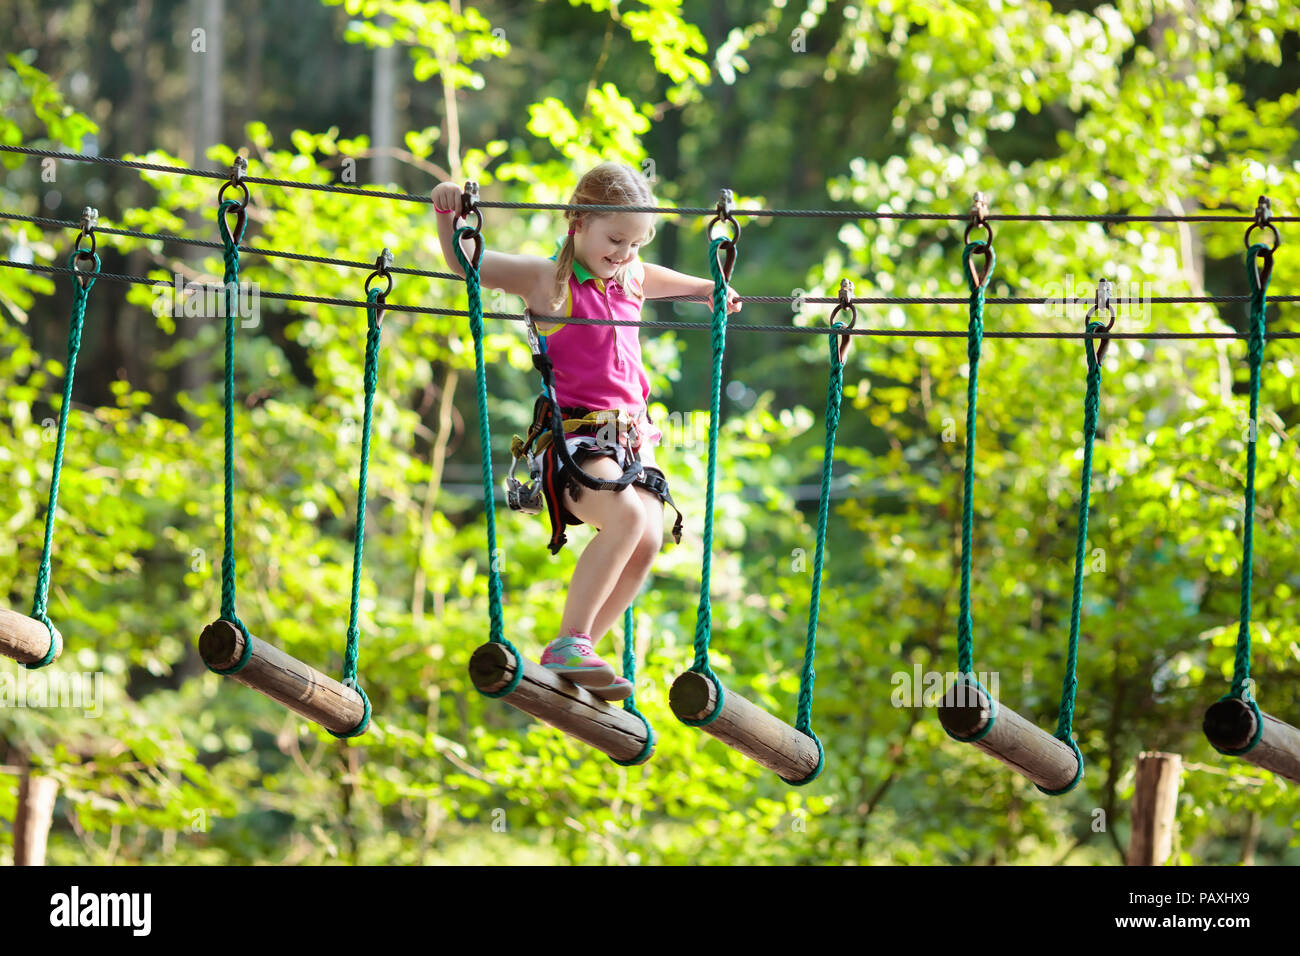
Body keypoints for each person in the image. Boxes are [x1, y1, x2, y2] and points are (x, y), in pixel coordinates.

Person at [433, 161, 741, 701]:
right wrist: (446, 214)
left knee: (647, 538)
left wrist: (707, 289)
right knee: (624, 516)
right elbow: (468, 263)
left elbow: (662, 278)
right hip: (577, 441)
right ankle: (569, 640)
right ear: (577, 221)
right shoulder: (545, 281)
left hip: (630, 442)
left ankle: (581, 652)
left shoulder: (631, 276)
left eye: (635, 244)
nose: (624, 254)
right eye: (615, 239)